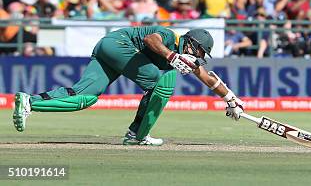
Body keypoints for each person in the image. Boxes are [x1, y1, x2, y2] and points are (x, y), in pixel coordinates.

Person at [12, 27, 245, 145]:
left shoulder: (187, 58)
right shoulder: (170, 37)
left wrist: (230, 98)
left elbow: (207, 78)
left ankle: (29, 102)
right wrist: (171, 55)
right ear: (192, 44)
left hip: (107, 49)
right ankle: (137, 134)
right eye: (201, 52)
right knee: (161, 80)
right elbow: (150, 40)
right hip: (118, 44)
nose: (201, 57)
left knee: (84, 97)